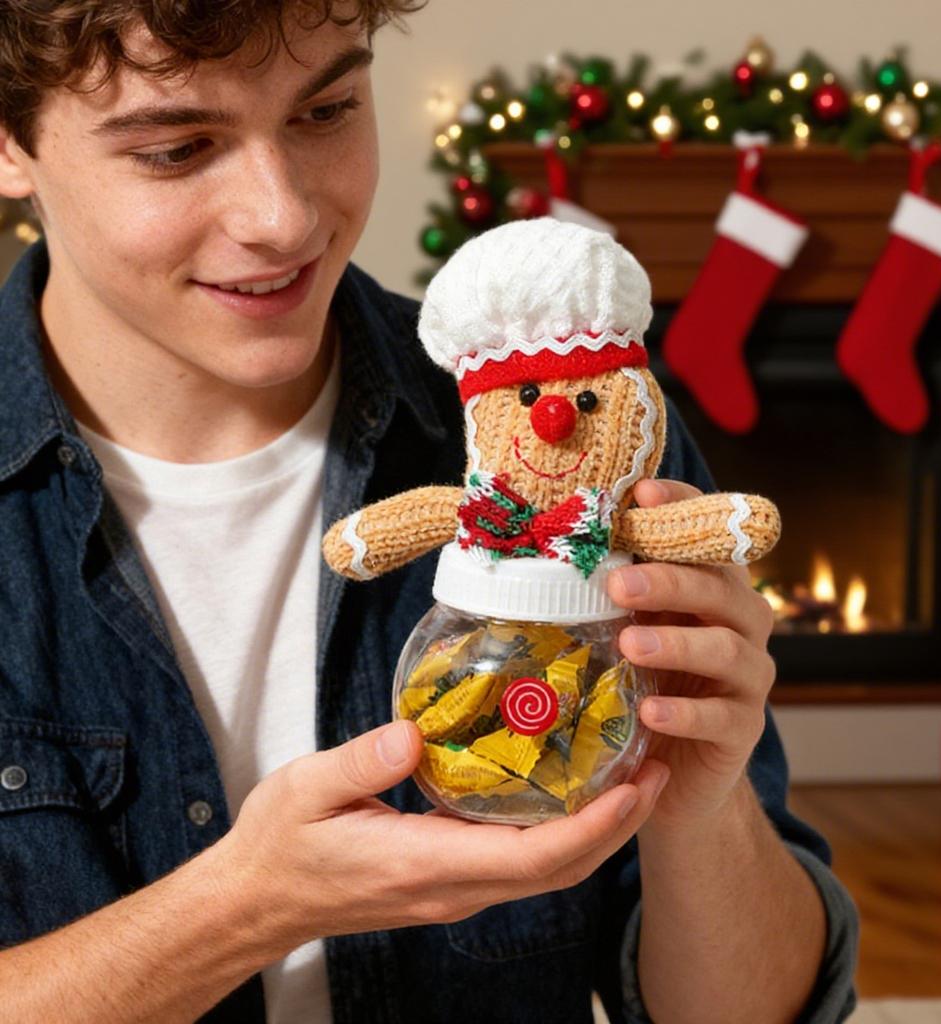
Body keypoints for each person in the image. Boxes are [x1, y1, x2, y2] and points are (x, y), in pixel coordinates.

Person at [0, 1, 859, 1021]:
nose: (282, 216)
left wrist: (699, 810)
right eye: (180, 148)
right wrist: (245, 905)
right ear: (12, 142)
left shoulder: (574, 437)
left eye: (326, 111)